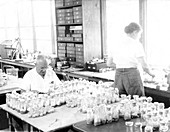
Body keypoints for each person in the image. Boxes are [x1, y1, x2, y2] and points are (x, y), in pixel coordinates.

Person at [107, 22, 155, 96]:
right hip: (132, 75)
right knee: (138, 101)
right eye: (139, 34)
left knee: (121, 101)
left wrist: (122, 66)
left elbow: (109, 63)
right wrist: (152, 74)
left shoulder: (115, 44)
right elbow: (144, 65)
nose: (139, 37)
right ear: (135, 32)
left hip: (118, 74)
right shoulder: (136, 44)